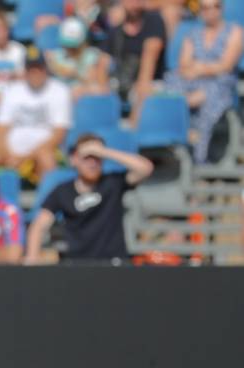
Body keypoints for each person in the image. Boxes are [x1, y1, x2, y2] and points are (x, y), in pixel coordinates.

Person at [25, 133, 154, 263]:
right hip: (76, 265)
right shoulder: (62, 191)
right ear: (73, 159)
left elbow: (145, 168)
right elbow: (38, 226)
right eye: (87, 157)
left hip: (113, 263)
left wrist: (104, 151)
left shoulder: (113, 183)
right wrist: (32, 257)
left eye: (97, 157)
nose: (92, 163)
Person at [164, 0, 242, 164]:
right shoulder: (193, 33)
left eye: (216, 6)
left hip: (220, 84)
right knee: (169, 86)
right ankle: (174, 143)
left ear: (222, 8)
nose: (211, 11)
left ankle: (199, 156)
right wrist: (206, 68)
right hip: (193, 81)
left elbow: (226, 65)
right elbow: (183, 65)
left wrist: (199, 68)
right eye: (206, 7)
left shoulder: (235, 31)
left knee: (207, 96)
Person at [0, 49, 71, 183]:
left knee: (46, 159)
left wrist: (26, 157)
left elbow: (59, 134)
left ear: (45, 70)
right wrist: (8, 154)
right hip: (12, 152)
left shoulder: (59, 90)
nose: (35, 73)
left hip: (43, 150)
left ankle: (46, 201)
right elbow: (1, 129)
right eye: (31, 69)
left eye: (39, 69)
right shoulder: (12, 90)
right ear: (25, 71)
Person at [102, 0, 166, 119]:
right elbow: (102, 64)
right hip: (121, 81)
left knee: (143, 93)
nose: (134, 3)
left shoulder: (153, 20)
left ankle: (132, 133)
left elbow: (149, 63)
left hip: (150, 82)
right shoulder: (116, 28)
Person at [47, 16, 110, 100]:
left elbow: (101, 87)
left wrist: (75, 74)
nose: (70, 48)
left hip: (83, 101)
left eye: (74, 46)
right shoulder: (55, 55)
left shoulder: (93, 56)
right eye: (67, 45)